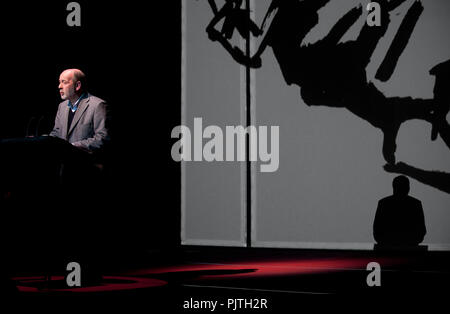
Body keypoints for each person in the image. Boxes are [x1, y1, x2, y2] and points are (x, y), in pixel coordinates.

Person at [50, 69, 109, 152]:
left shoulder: (98, 105)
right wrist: (43, 140)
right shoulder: (62, 106)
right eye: (59, 82)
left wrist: (71, 147)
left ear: (77, 85)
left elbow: (102, 138)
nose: (59, 86)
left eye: (64, 82)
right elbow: (56, 133)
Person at [373, 175, 426, 246]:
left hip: (386, 249)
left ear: (394, 187)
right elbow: (421, 231)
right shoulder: (416, 204)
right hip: (411, 250)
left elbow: (377, 231)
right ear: (408, 188)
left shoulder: (383, 203)